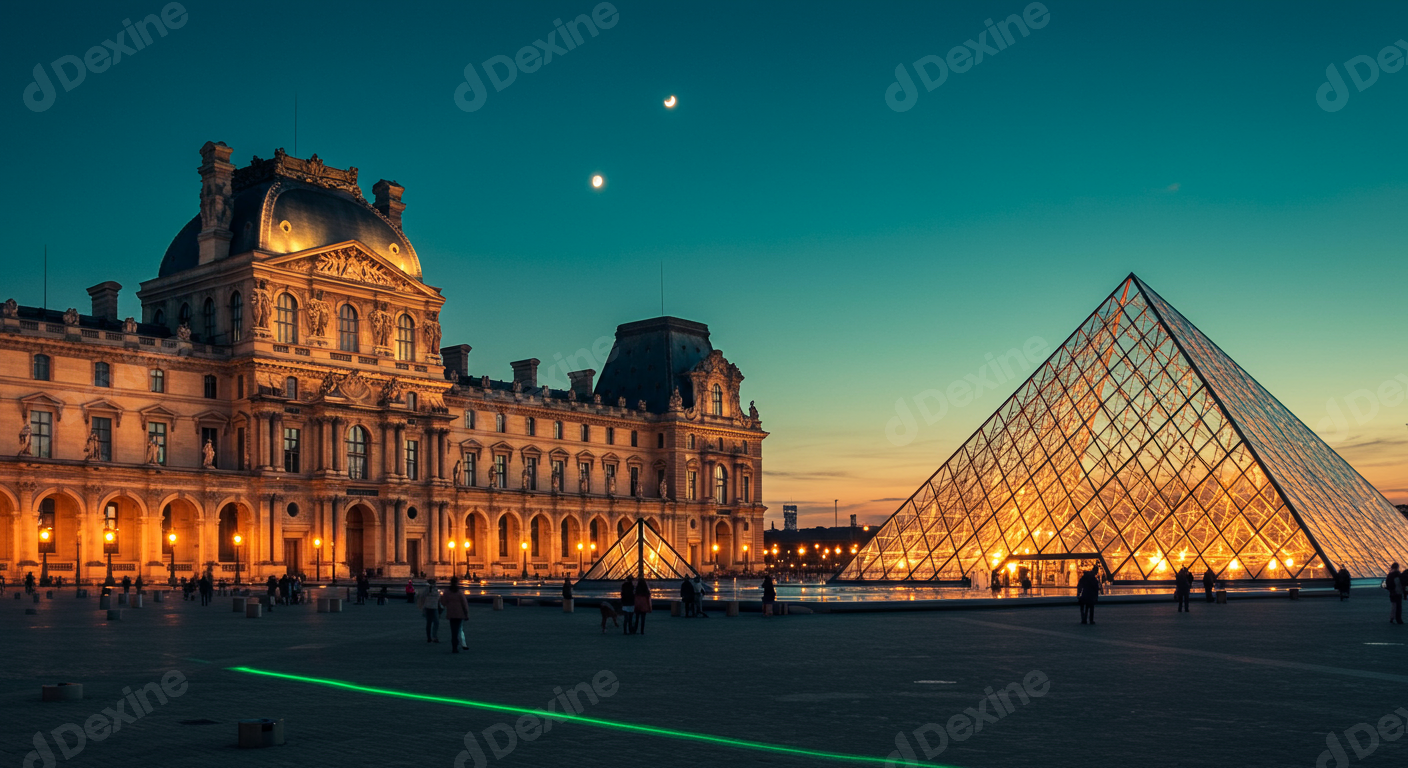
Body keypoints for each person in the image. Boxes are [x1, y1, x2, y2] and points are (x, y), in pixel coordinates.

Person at [439, 577, 470, 654]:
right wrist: (466, 614)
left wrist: (448, 605)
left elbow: (443, 602)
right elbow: (464, 604)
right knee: (459, 630)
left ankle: (454, 647)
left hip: (451, 613)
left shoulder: (447, 592)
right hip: (460, 614)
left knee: (453, 631)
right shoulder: (459, 592)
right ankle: (461, 645)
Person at [417, 578, 441, 643]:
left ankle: (431, 637)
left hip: (432, 607)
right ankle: (433, 637)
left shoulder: (434, 589)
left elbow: (421, 597)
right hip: (430, 607)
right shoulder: (429, 589)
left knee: (430, 623)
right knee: (434, 622)